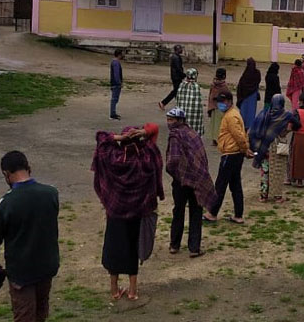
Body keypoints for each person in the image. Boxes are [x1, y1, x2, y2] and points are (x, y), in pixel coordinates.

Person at [0, 151, 60, 322]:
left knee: (24, 315)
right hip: (47, 265)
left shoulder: (5, 204)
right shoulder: (51, 194)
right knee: (41, 312)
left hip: (21, 271)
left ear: (6, 174)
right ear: (28, 168)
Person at [92, 124, 164, 302]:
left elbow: (100, 136)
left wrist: (118, 137)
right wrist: (144, 132)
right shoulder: (146, 157)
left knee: (114, 248)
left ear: (122, 142)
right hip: (137, 213)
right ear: (140, 140)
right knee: (132, 249)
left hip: (115, 213)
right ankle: (132, 291)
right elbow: (155, 130)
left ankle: (114, 290)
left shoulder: (112, 158)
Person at [164, 108, 216, 258]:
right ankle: (194, 247)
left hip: (181, 181)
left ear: (180, 120)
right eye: (168, 119)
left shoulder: (175, 136)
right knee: (195, 213)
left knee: (178, 211)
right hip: (196, 180)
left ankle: (174, 245)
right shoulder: (193, 134)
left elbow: (173, 160)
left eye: (172, 120)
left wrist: (174, 173)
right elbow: (201, 156)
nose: (169, 123)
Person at [205, 91, 254, 224]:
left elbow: (239, 136)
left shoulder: (231, 116)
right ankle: (238, 214)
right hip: (235, 153)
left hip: (231, 154)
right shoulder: (232, 114)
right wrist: (244, 149)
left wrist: (245, 149)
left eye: (223, 101)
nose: (220, 104)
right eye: (219, 102)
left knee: (221, 184)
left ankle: (212, 212)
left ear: (230, 101)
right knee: (235, 185)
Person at [250, 95, 298, 203]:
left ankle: (263, 196)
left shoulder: (264, 114)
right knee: (277, 171)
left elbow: (254, 131)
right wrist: (286, 130)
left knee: (265, 171)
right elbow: (297, 124)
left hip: (264, 147)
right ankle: (277, 196)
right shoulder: (285, 115)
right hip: (278, 146)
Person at [175, 68, 205, 136]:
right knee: (193, 130)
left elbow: (178, 99)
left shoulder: (182, 85)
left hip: (182, 112)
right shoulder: (196, 86)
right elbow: (198, 102)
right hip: (193, 115)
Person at [206, 68, 229, 145]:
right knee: (220, 124)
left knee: (214, 124)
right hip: (221, 107)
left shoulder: (213, 84)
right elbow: (227, 96)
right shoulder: (224, 86)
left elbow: (210, 95)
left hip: (213, 106)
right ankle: (219, 139)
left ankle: (214, 140)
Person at [236, 58, 261, 126]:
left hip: (244, 96)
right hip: (253, 95)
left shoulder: (245, 74)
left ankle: (243, 125)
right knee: (251, 111)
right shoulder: (257, 73)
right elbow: (258, 81)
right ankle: (250, 125)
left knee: (244, 112)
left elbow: (240, 85)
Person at [158, 45, 184, 110]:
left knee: (177, 91)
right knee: (176, 91)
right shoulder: (176, 57)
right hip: (176, 77)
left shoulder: (175, 56)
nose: (182, 50)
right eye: (180, 49)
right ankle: (163, 102)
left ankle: (178, 105)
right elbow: (178, 68)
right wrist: (183, 75)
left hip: (175, 76)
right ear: (177, 49)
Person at [109, 49, 123, 121]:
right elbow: (116, 74)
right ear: (119, 55)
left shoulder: (114, 62)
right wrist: (119, 82)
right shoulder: (116, 63)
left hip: (114, 83)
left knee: (114, 99)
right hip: (116, 84)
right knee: (114, 99)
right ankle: (112, 114)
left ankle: (113, 112)